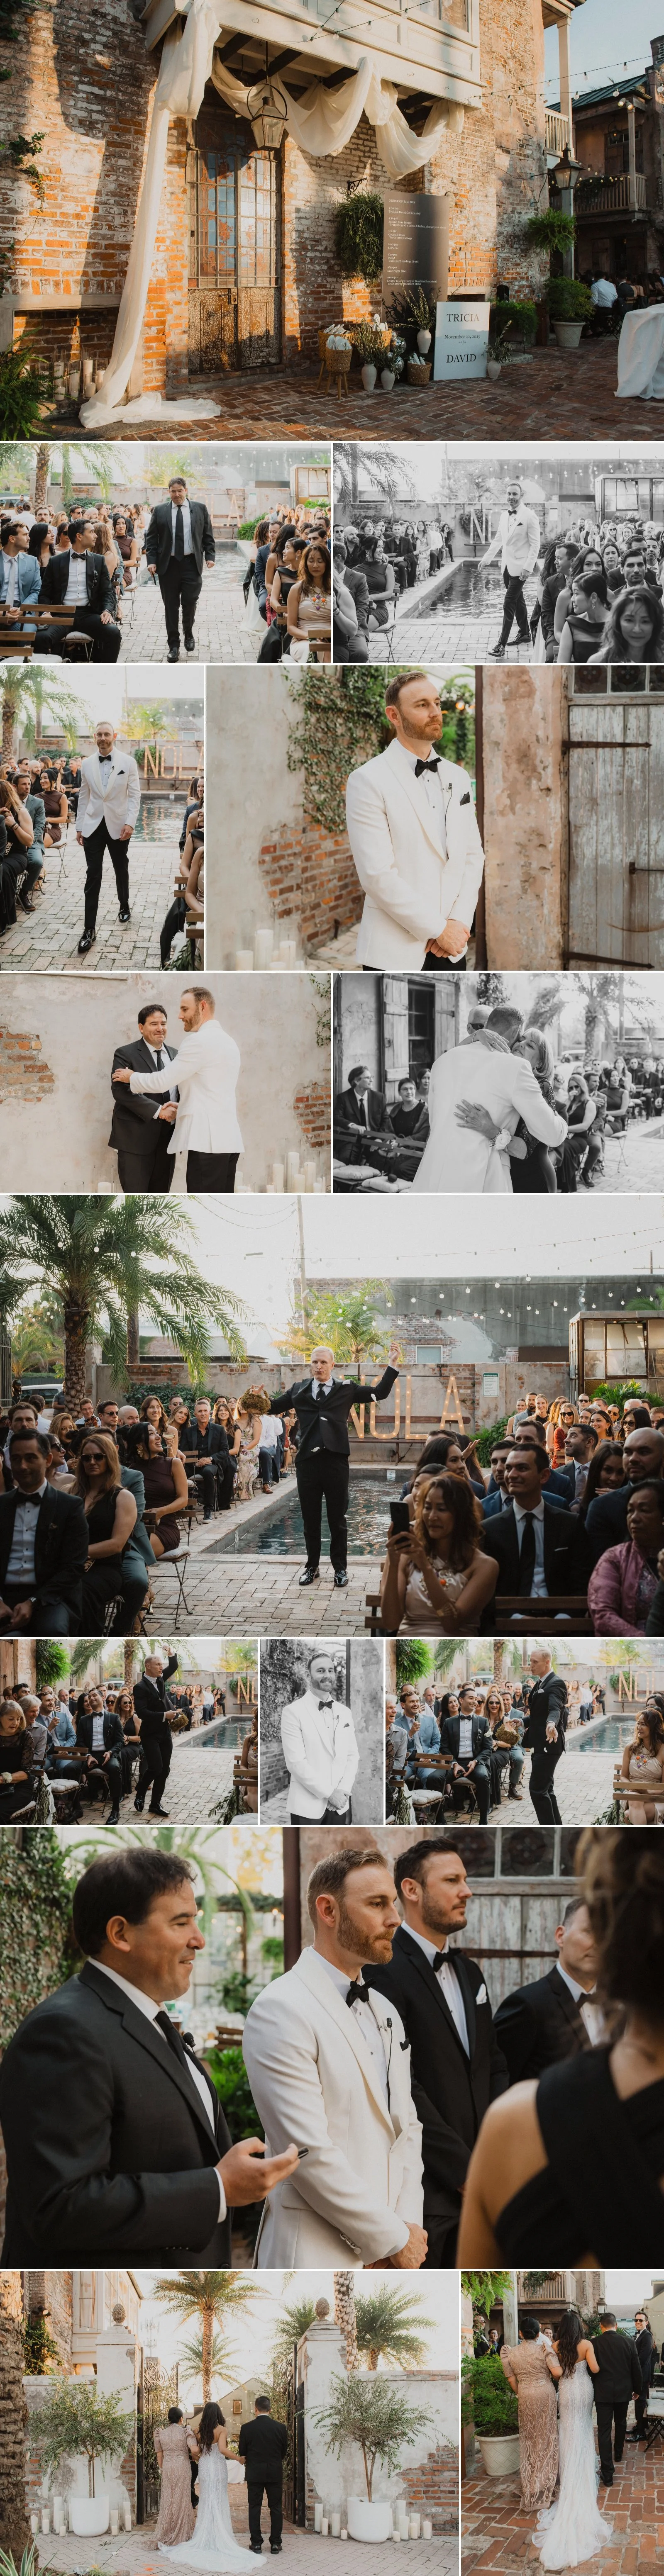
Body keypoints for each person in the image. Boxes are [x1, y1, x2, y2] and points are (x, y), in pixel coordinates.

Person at [0, 1847, 300, 2262]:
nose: (199, 1939)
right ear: (120, 1934)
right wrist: (217, 2189)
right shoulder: (63, 2032)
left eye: (195, 1920)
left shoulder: (148, 2017)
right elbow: (59, 2207)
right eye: (181, 1922)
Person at [457, 1830, 664, 2261]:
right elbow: (501, 2073)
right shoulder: (527, 2006)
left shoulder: (511, 2124)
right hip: (559, 2146)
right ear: (560, 1936)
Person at [243, 1844, 425, 2271]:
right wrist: (390, 2238)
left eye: (394, 1904)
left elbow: (408, 2129)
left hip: (395, 2253)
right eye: (377, 1904)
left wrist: (407, 2228)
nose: (395, 1919)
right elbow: (307, 2151)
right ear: (328, 1910)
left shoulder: (386, 2011)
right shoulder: (281, 2008)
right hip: (315, 2251)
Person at [366, 1837, 507, 2267]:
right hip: (426, 2198)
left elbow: (494, 2065)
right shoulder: (382, 1970)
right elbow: (400, 2085)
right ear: (411, 1890)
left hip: (486, 2188)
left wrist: (497, 2152)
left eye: (465, 1880)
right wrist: (464, 2171)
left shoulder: (469, 1972)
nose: (466, 1891)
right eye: (452, 1880)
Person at [345, 670, 485, 971]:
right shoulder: (367, 781)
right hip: (395, 950)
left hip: (452, 949)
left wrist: (459, 922)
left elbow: (473, 856)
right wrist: (437, 929)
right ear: (394, 715)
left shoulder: (459, 777)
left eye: (436, 703)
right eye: (422, 705)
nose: (436, 713)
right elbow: (377, 875)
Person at [257, 1341, 400, 1590]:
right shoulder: (298, 1389)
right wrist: (257, 1399)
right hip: (307, 1464)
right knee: (310, 1519)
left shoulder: (346, 1388)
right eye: (315, 1362)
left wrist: (392, 1365)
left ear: (333, 1365)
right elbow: (272, 1407)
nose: (319, 1366)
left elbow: (380, 1393)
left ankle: (340, 1569)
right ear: (310, 1365)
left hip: (335, 1462)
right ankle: (311, 1567)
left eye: (324, 1362)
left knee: (338, 1519)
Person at [412, 1006, 567, 1194]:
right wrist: (561, 1123)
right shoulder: (515, 1067)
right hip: (481, 1177)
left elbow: (436, 1120)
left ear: (487, 1026)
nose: (520, 1044)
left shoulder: (442, 1062)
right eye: (520, 1039)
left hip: (433, 1173)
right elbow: (554, 1135)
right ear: (515, 1033)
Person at [113, 985, 243, 1193]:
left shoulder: (197, 1042)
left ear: (202, 1007)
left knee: (203, 1203)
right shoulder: (229, 1042)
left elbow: (163, 1081)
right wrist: (183, 1106)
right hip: (228, 1141)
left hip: (207, 1143)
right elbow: (212, 1091)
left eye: (185, 1009)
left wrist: (132, 1077)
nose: (180, 1016)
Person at [495, 1895, 605, 2081]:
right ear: (561, 1936)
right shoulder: (527, 2006)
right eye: (590, 1931)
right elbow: (498, 2084)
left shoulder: (618, 2007)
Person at [381, 1473, 498, 1637]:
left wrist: (426, 1568)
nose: (432, 1516)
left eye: (442, 1509)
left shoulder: (484, 1566)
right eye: (428, 1507)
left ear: (461, 1514)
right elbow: (390, 1623)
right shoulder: (407, 1556)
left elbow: (451, 1623)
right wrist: (393, 1564)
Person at [481, 1446, 591, 1619]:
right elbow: (487, 1591)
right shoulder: (491, 1529)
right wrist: (518, 1620)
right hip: (508, 1624)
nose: (512, 1475)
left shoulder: (569, 1524)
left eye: (522, 1468)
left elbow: (583, 1580)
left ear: (544, 1476)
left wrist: (562, 1620)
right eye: (509, 1468)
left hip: (565, 1623)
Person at [0, 1427, 88, 1634]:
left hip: (51, 1597)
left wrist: (33, 1602)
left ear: (48, 1460)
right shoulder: (1, 1507)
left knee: (52, 1632)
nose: (22, 1466)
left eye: (31, 1458)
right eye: (16, 1459)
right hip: (4, 1595)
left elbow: (74, 1566)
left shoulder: (70, 1507)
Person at [74, 721, 141, 955]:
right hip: (93, 826)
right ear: (95, 737)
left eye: (107, 734)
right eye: (99, 735)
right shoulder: (86, 764)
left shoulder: (128, 762)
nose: (103, 738)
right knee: (93, 875)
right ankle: (89, 929)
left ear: (114, 736)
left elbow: (134, 796)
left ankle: (124, 904)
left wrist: (130, 823)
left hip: (119, 826)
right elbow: (84, 797)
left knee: (120, 868)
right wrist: (80, 826)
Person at [159, 2401, 250, 2572]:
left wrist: (201, 2460)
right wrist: (238, 2459)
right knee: (219, 2498)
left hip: (206, 2467)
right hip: (218, 2466)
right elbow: (222, 2450)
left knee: (207, 2498)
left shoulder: (197, 2431)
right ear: (218, 2414)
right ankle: (219, 2535)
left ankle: (205, 2535)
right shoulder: (222, 2430)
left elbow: (195, 2454)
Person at [280, 1644, 359, 1822]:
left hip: (340, 1804)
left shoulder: (345, 1712)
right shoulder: (293, 1712)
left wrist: (342, 1791)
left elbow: (352, 1756)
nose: (327, 1675)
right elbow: (296, 1763)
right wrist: (330, 1793)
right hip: (307, 1805)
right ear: (309, 1675)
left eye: (331, 1670)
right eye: (321, 1671)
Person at [109, 1000, 178, 1192]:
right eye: (154, 1024)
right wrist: (159, 1111)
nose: (160, 1029)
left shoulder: (176, 1055)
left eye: (163, 1023)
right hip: (135, 1140)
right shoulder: (126, 1053)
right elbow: (121, 1092)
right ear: (141, 1028)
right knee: (135, 1197)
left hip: (168, 1140)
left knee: (161, 1197)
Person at [145, 476, 216, 662]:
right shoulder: (160, 511)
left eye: (180, 491)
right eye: (173, 491)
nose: (177, 495)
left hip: (192, 564)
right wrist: (151, 561)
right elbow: (152, 539)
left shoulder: (199, 509)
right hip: (168, 566)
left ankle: (188, 632)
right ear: (169, 492)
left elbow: (207, 535)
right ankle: (174, 646)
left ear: (186, 491)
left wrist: (210, 556)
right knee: (171, 607)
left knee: (190, 602)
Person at [75, 1430, 138, 1631]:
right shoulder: (72, 1493)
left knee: (83, 1591)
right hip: (71, 1565)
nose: (92, 1461)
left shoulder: (122, 1497)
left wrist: (80, 1552)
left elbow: (117, 1544)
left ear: (109, 1459)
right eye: (86, 1458)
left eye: (98, 1457)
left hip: (105, 1568)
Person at [37, 520, 121, 660]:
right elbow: (45, 593)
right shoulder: (56, 562)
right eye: (92, 532)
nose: (95, 536)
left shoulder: (99, 561)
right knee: (41, 638)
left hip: (89, 615)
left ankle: (107, 673)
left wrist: (107, 611)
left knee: (113, 634)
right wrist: (46, 612)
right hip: (62, 615)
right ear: (80, 536)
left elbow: (108, 592)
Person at [499, 2316, 559, 2513]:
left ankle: (532, 2484)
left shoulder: (510, 2353)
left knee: (530, 2438)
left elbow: (511, 2380)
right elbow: (557, 2374)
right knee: (547, 2437)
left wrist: (522, 2391)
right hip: (545, 2394)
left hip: (525, 2394)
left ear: (521, 2334)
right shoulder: (545, 2349)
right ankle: (546, 2482)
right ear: (539, 2332)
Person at [588, 1479, 664, 1633]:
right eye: (630, 1511)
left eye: (644, 1510)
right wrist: (646, 1643)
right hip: (634, 1650)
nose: (634, 1518)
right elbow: (603, 1614)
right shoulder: (615, 1559)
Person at [483, 479, 542, 656]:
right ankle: (525, 633)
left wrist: (528, 567)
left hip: (521, 568)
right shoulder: (503, 516)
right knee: (518, 601)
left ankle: (500, 645)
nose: (511, 497)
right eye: (509, 494)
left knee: (509, 602)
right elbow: (499, 540)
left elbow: (535, 545)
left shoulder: (530, 516)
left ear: (521, 496)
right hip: (507, 568)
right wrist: (487, 559)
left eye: (515, 494)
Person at [588, 2315, 642, 2492]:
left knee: (604, 2431)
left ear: (601, 2326)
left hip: (603, 2393)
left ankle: (608, 2473)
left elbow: (591, 2370)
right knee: (621, 2423)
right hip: (623, 2392)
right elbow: (636, 2368)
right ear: (616, 2325)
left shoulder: (594, 2344)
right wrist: (637, 2389)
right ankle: (618, 2453)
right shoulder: (629, 2342)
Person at [518, 1646, 569, 1825]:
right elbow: (538, 1714)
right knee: (547, 1790)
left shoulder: (556, 1683)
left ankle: (548, 1830)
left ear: (547, 1663)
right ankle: (556, 1827)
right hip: (540, 1743)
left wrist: (551, 1724)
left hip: (550, 1743)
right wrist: (523, 1722)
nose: (530, 1665)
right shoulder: (540, 1683)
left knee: (538, 1791)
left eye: (535, 1662)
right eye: (531, 1661)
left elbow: (555, 1709)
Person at [237, 2395, 287, 2560]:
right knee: (276, 2508)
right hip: (274, 2473)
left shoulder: (247, 2428)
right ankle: (275, 2544)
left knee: (254, 2507)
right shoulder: (281, 2428)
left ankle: (257, 2543)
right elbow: (284, 2452)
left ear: (255, 2409)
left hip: (255, 2473)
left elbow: (242, 2451)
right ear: (270, 2409)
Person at [436, 1680, 494, 1820]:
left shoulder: (483, 1722)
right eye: (471, 1698)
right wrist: (454, 1764)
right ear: (461, 1700)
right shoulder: (449, 1723)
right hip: (455, 1763)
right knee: (434, 1778)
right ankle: (439, 1818)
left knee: (483, 1777)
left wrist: (476, 1762)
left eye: (476, 1699)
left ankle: (484, 1819)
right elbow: (444, 1746)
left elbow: (488, 1747)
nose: (475, 1702)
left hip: (475, 1763)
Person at [133, 1649, 179, 1816]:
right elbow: (142, 1713)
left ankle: (155, 1805)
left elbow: (173, 1666)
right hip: (150, 1734)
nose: (162, 1667)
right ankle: (141, 1790)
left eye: (161, 1664)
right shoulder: (139, 1687)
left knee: (165, 1770)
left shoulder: (160, 1679)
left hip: (165, 1733)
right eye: (158, 1664)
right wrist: (164, 1716)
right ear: (148, 1666)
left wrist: (171, 1653)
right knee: (156, 1767)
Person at [76, 1687, 126, 1825]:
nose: (91, 1698)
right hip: (91, 1756)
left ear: (103, 1697)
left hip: (107, 1755)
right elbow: (79, 1741)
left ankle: (115, 1810)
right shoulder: (84, 1720)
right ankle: (76, 1808)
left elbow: (120, 1741)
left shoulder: (114, 1718)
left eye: (94, 1696)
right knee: (70, 1768)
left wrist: (110, 1753)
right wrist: (87, 1755)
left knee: (116, 1769)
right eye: (89, 1697)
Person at [153, 2406, 196, 2546]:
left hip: (167, 2467)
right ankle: (183, 2532)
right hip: (183, 2466)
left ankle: (167, 2530)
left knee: (169, 2498)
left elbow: (159, 2454)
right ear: (181, 2419)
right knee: (183, 2498)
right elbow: (193, 2449)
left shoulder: (161, 2433)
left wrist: (161, 2469)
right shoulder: (185, 2431)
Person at [618, 1704, 664, 1823]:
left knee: (628, 1816)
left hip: (656, 1798)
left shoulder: (663, 1750)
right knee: (635, 1799)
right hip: (631, 1794)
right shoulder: (630, 1748)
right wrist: (632, 1787)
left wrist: (648, 1792)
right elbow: (623, 1777)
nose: (639, 1727)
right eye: (638, 1723)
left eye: (643, 1724)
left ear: (654, 1727)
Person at [629, 2311, 656, 2440]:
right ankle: (641, 2425)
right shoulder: (638, 2335)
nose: (638, 2322)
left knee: (640, 2403)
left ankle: (641, 2433)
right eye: (636, 2320)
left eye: (641, 2320)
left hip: (643, 2376)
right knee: (638, 2402)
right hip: (639, 2375)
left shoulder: (648, 2336)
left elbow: (642, 2359)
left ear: (646, 2322)